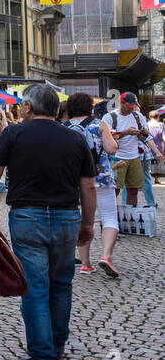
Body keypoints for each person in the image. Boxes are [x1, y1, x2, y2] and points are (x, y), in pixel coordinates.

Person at [0, 83, 95, 360]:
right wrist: (87, 224)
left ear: (28, 107)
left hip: (28, 216)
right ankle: (55, 348)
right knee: (61, 284)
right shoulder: (75, 138)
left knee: (34, 287)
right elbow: (88, 186)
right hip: (67, 216)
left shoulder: (14, 133)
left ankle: (42, 359)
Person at [65, 93, 120, 278]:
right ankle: (105, 256)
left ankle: (86, 264)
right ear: (90, 107)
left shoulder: (64, 127)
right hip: (102, 177)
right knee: (110, 217)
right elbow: (112, 148)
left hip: (75, 181)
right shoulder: (99, 124)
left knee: (82, 220)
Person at [105, 93, 149, 208]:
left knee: (133, 190)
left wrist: (144, 132)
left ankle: (131, 216)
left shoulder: (137, 116)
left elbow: (145, 136)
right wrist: (126, 132)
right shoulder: (109, 117)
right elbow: (108, 140)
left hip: (134, 156)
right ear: (121, 103)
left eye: (133, 106)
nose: (131, 109)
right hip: (117, 157)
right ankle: (110, 216)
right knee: (115, 190)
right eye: (129, 106)